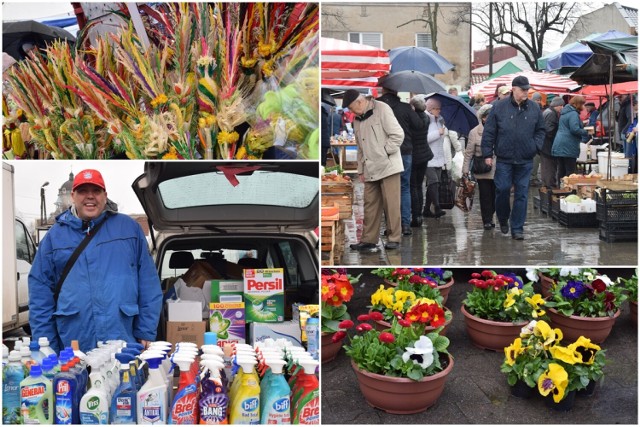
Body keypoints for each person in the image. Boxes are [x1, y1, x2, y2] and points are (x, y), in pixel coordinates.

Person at [29, 169, 163, 353]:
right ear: (73, 196)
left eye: (96, 191)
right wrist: (46, 346)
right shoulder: (54, 237)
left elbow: (148, 283)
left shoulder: (129, 229)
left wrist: (146, 331)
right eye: (83, 191)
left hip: (123, 339)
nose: (90, 197)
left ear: (105, 196)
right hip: (74, 343)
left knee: (125, 381)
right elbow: (40, 294)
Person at [481, 75, 545, 241]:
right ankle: (503, 218)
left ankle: (517, 227)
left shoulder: (534, 108)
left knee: (522, 194)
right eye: (523, 90)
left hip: (525, 158)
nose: (526, 92)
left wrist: (535, 146)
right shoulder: (499, 107)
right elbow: (489, 131)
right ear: (514, 89)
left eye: (527, 90)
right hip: (504, 157)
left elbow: (541, 130)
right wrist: (487, 153)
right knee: (502, 189)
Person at [343, 89, 404, 251]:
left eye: (351, 108)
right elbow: (360, 147)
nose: (350, 112)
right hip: (369, 168)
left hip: (388, 166)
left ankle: (394, 238)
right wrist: (360, 170)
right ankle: (368, 240)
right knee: (370, 204)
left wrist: (384, 152)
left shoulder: (382, 108)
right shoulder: (356, 119)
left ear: (360, 102)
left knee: (391, 204)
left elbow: (398, 135)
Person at [377, 87, 424, 236]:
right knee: (404, 188)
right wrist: (413, 111)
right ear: (396, 90)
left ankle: (392, 226)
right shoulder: (405, 107)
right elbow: (419, 126)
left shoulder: (376, 105)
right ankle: (405, 225)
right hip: (405, 152)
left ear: (383, 89)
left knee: (387, 190)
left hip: (384, 153)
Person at [462, 104, 496, 230]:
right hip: (483, 169)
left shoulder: (499, 129)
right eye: (488, 116)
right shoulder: (474, 132)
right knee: (485, 195)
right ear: (483, 117)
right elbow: (468, 153)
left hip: (498, 168)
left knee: (496, 195)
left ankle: (491, 214)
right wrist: (465, 170)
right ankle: (487, 219)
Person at [552, 95, 593, 181]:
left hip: (559, 143)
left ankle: (561, 188)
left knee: (561, 169)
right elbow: (574, 129)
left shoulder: (564, 112)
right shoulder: (573, 114)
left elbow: (567, 126)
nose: (583, 107)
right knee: (570, 171)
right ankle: (569, 190)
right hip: (568, 144)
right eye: (582, 104)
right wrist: (586, 132)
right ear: (577, 104)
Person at [408, 95, 434, 227]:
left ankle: (416, 215)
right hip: (424, 154)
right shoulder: (426, 117)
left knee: (413, 186)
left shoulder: (413, 118)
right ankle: (418, 214)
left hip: (414, 155)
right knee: (419, 185)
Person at [423, 98, 448, 219]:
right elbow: (424, 139)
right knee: (434, 182)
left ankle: (426, 209)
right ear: (430, 109)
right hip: (428, 157)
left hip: (438, 157)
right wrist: (438, 133)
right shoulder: (425, 119)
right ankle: (437, 207)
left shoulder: (439, 120)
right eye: (436, 108)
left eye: (439, 108)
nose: (438, 110)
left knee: (434, 184)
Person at [541, 96, 565, 188]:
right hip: (548, 145)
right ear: (557, 105)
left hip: (544, 144)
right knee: (550, 166)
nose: (562, 108)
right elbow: (549, 131)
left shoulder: (547, 111)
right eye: (561, 105)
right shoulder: (551, 114)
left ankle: (546, 184)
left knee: (546, 166)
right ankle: (550, 186)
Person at [529, 92, 545, 186]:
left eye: (539, 100)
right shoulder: (533, 108)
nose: (538, 101)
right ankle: (532, 178)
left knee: (535, 159)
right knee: (535, 159)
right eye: (537, 100)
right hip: (533, 139)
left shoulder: (536, 108)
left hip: (534, 138)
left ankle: (532, 177)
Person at [623, 97, 638, 174]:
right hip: (636, 145)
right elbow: (632, 126)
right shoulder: (636, 119)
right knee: (635, 160)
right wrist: (628, 132)